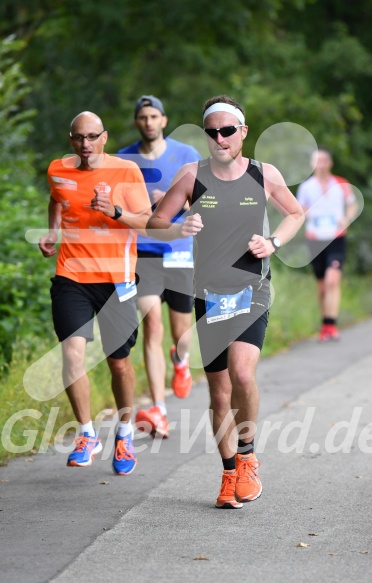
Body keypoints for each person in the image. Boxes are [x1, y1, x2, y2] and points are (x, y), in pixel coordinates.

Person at [146, 95, 304, 509]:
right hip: (208, 294)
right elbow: (155, 223)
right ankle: (229, 471)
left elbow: (295, 213)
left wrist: (273, 242)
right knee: (219, 395)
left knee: (243, 375)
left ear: (243, 133)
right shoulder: (191, 175)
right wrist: (180, 227)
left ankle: (248, 456)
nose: (219, 138)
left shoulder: (263, 174)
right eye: (212, 132)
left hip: (252, 289)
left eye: (227, 131)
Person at [39, 111, 151, 475]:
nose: (85, 145)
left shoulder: (126, 172)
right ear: (70, 139)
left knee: (118, 362)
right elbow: (57, 199)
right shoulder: (58, 169)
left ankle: (124, 432)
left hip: (116, 279)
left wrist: (115, 211)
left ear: (104, 137)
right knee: (72, 353)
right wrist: (53, 230)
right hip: (71, 275)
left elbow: (147, 220)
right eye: (78, 138)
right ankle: (87, 433)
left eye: (91, 137)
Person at [118, 95, 201, 438]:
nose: (148, 121)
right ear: (137, 122)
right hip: (143, 251)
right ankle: (160, 409)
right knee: (152, 323)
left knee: (181, 331)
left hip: (179, 249)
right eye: (142, 117)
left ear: (164, 120)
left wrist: (169, 202)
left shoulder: (187, 156)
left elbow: (203, 202)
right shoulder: (122, 159)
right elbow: (117, 208)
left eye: (154, 116)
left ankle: (180, 361)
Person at [297, 147, 358, 341]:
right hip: (315, 239)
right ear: (311, 164)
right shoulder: (306, 187)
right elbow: (299, 211)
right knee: (323, 286)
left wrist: (347, 218)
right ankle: (325, 324)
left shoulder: (341, 183)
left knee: (333, 280)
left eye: (324, 161)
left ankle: (332, 325)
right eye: (317, 161)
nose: (320, 165)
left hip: (336, 237)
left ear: (330, 163)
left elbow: (353, 204)